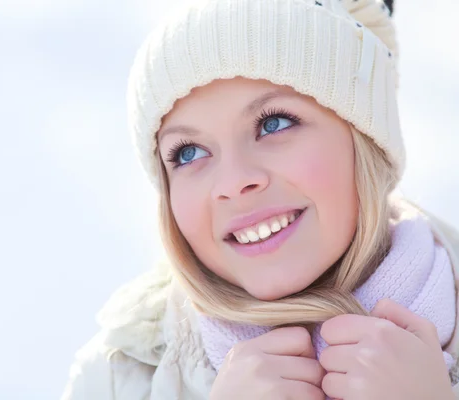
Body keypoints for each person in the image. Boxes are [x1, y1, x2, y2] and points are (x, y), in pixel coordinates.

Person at [62, 0, 459, 398]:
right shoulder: (116, 378)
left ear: (366, 137)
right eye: (188, 152)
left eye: (273, 124)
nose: (233, 183)